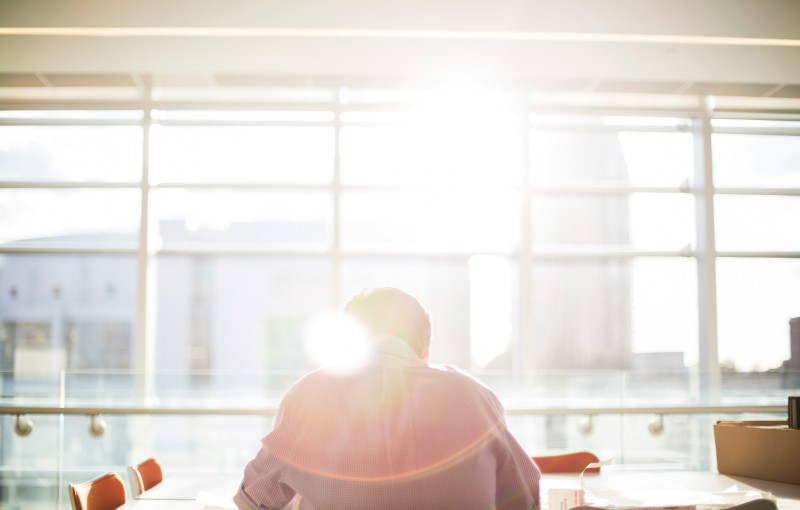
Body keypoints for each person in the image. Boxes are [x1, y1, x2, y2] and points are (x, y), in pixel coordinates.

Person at [234, 287, 540, 510]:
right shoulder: (475, 397)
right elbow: (526, 497)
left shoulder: (308, 396)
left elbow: (253, 503)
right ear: (425, 348)